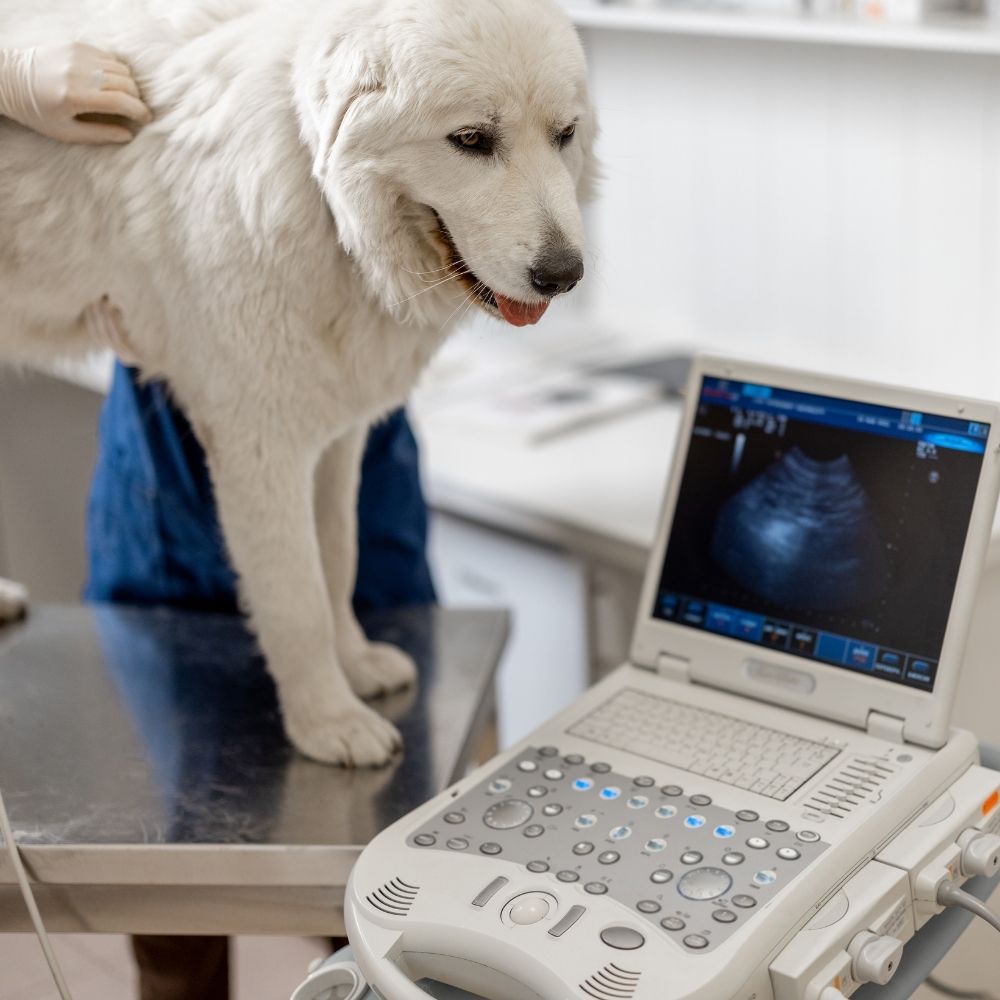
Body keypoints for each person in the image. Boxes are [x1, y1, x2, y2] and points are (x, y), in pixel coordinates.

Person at [2, 40, 436, 1000]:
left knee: (387, 869)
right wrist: (6, 73)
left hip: (366, 420)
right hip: (166, 421)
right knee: (173, 856)